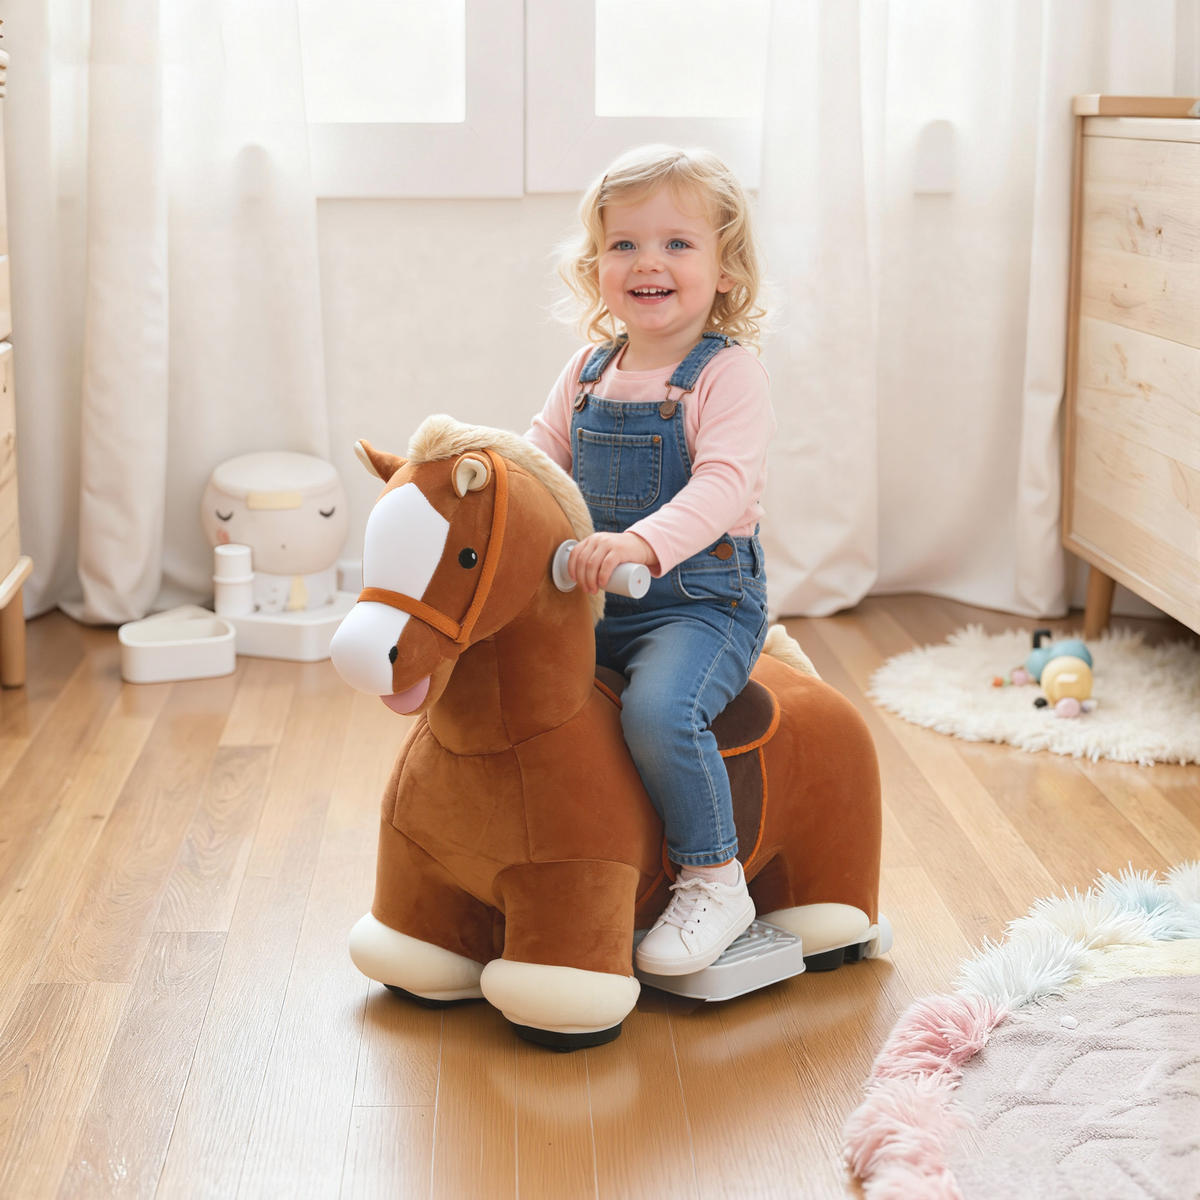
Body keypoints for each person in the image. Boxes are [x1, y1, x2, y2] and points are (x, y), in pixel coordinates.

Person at [525, 144, 775, 975]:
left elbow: (722, 487)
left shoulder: (727, 375)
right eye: (624, 244)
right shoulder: (589, 370)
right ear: (595, 267)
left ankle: (712, 876)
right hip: (602, 603)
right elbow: (540, 457)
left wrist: (639, 543)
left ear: (726, 268)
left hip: (701, 606)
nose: (648, 262)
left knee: (655, 713)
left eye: (677, 243)